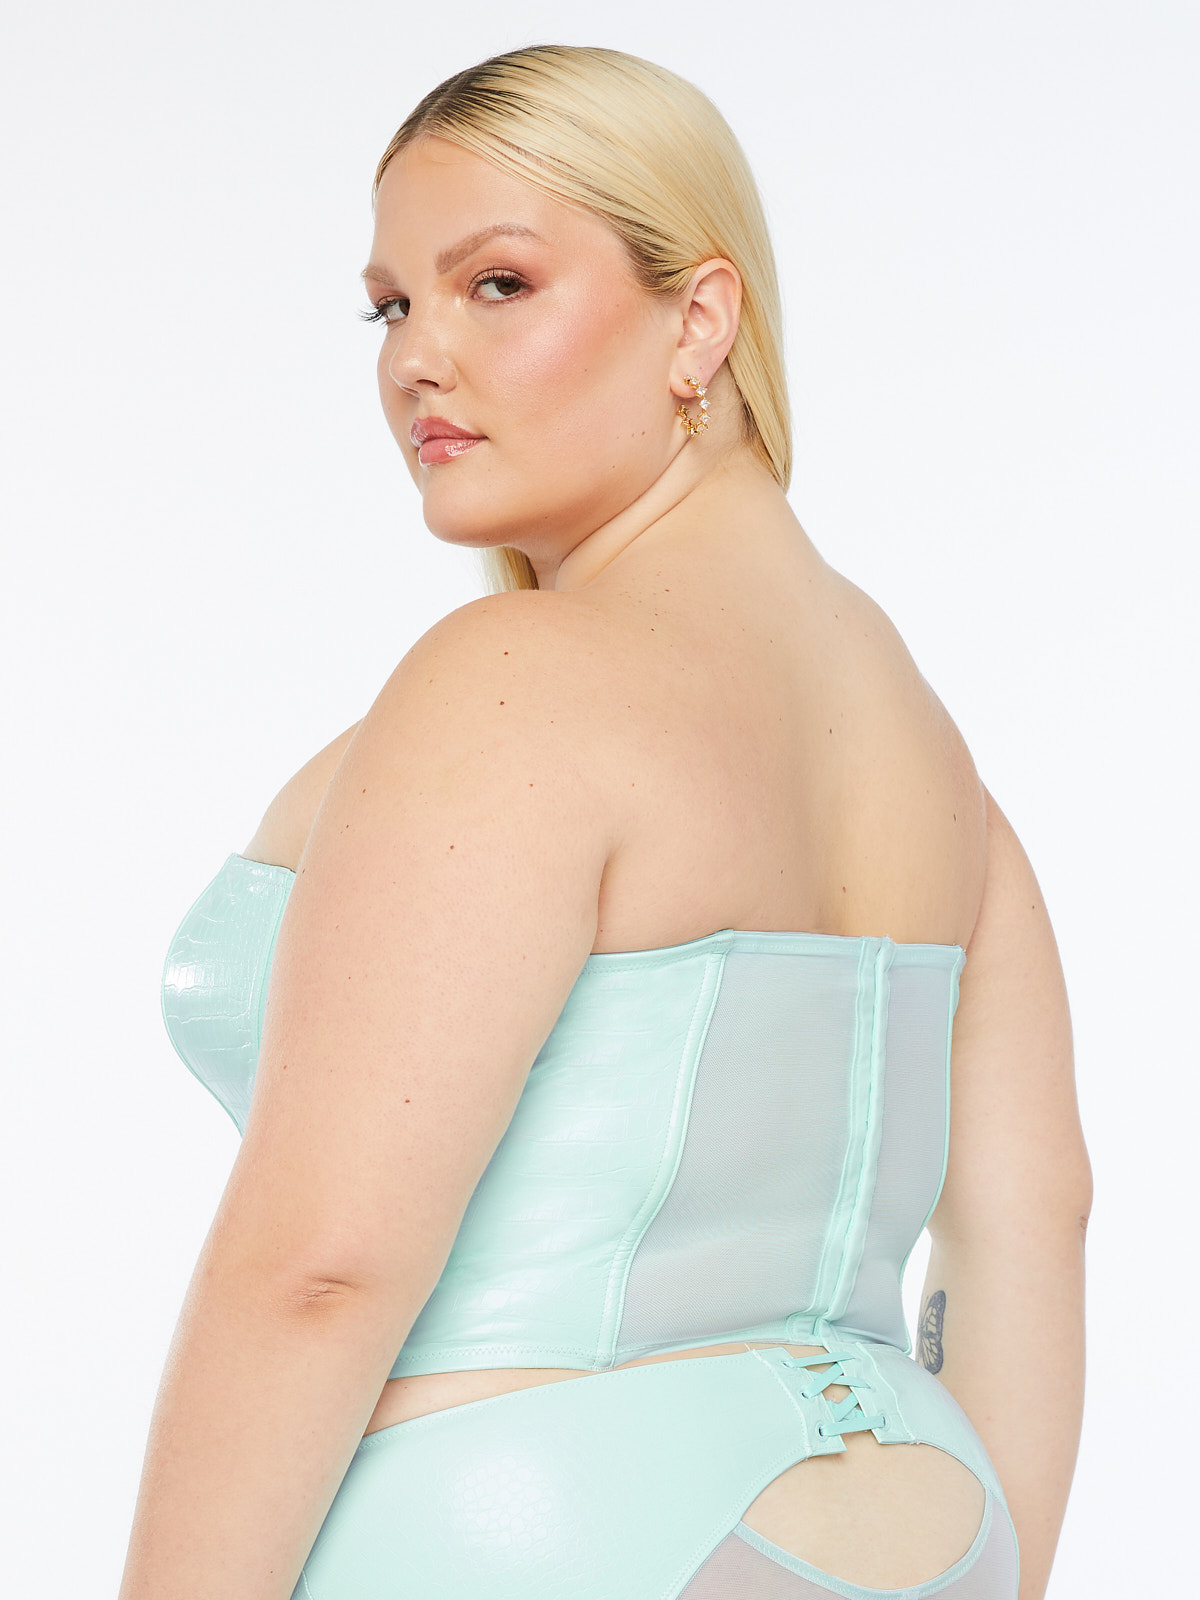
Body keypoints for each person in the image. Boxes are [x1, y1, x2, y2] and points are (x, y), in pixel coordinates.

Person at [119, 43, 1091, 1600]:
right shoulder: (934, 759)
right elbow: (1034, 1223)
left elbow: (320, 1272)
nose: (418, 359)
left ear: (699, 321)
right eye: (391, 306)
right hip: (934, 1514)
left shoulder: (512, 683)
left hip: (536, 1519)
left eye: (496, 284)